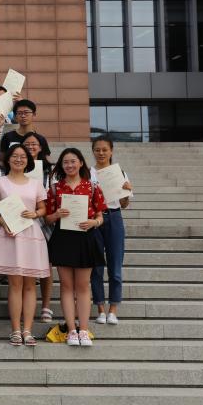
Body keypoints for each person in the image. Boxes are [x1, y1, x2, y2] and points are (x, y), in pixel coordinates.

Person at [0, 144, 50, 346]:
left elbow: (43, 208)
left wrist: (36, 213)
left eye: (23, 156)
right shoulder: (0, 182)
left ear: (28, 160)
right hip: (10, 234)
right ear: (8, 159)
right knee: (15, 284)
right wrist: (2, 222)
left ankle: (28, 330)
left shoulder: (36, 183)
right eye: (15, 155)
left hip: (31, 234)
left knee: (30, 285)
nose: (19, 159)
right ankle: (15, 330)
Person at [43, 148, 107, 347]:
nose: (69, 165)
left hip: (86, 238)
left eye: (73, 161)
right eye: (65, 162)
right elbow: (47, 218)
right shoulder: (55, 189)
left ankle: (84, 330)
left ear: (80, 163)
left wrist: (93, 222)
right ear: (61, 166)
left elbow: (100, 216)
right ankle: (71, 330)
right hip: (63, 238)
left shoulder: (93, 187)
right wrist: (56, 215)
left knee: (83, 285)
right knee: (66, 285)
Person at [90, 136, 132, 325]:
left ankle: (113, 309)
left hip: (114, 216)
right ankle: (100, 309)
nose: (101, 153)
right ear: (93, 151)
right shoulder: (88, 173)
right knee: (96, 267)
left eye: (104, 150)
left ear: (111, 151)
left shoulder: (119, 173)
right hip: (94, 219)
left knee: (115, 267)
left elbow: (124, 204)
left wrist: (126, 192)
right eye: (97, 150)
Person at [22, 131, 56, 323]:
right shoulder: (17, 166)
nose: (30, 147)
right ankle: (25, 305)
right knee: (23, 263)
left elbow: (55, 193)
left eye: (34, 144)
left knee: (46, 264)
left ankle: (45, 306)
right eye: (26, 144)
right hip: (22, 219)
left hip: (44, 220)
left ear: (41, 147)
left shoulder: (49, 170)